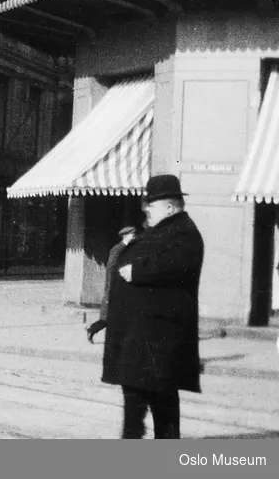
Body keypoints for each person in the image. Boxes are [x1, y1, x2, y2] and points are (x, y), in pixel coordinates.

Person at [101, 174, 204, 439]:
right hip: (145, 340)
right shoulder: (163, 230)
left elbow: (177, 265)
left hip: (158, 340)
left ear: (170, 207)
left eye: (153, 204)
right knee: (142, 402)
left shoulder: (184, 233)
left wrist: (137, 271)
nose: (146, 208)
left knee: (161, 408)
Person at [86, 222, 140, 343]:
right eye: (133, 234)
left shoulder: (129, 249)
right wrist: (109, 292)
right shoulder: (117, 249)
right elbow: (110, 270)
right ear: (126, 236)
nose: (135, 236)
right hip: (115, 289)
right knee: (109, 317)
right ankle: (92, 329)